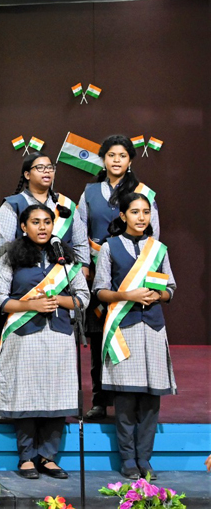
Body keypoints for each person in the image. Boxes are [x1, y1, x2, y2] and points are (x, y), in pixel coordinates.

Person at [0, 204, 89, 480]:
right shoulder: (10, 259)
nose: (43, 227)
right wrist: (31, 305)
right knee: (27, 393)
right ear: (23, 227)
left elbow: (83, 297)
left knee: (56, 393)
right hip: (24, 336)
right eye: (35, 222)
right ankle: (26, 457)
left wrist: (57, 300)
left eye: (47, 221)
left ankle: (48, 456)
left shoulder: (65, 260)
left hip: (59, 335)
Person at [75, 135, 161, 422]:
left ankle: (132, 396)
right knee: (99, 335)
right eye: (110, 155)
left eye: (122, 155)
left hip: (131, 274)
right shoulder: (88, 192)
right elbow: (78, 231)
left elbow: (154, 236)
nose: (116, 160)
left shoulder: (144, 191)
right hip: (98, 276)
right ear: (103, 159)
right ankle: (100, 399)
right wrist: (85, 265)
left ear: (130, 160)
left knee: (132, 334)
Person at [92, 193, 175, 480]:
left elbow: (171, 289)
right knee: (126, 399)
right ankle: (128, 459)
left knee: (151, 400)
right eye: (135, 212)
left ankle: (145, 459)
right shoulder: (109, 248)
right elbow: (100, 290)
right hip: (122, 329)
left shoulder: (158, 249)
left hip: (152, 329)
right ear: (123, 215)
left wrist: (158, 294)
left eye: (146, 212)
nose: (141, 217)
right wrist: (127, 295)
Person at [0, 152, 89, 268]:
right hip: (25, 274)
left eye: (50, 167)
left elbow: (80, 243)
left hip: (62, 275)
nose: (47, 171)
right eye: (40, 168)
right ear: (27, 175)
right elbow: (3, 249)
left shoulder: (66, 204)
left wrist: (84, 266)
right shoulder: (12, 205)